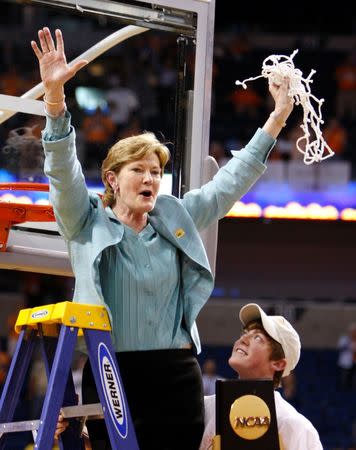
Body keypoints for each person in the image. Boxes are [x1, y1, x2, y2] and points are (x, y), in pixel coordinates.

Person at [31, 27, 294, 450]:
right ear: (113, 179)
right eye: (140, 170)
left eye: (156, 171)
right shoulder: (84, 220)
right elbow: (62, 172)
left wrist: (277, 117)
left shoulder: (176, 216)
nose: (151, 178)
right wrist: (55, 101)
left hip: (176, 375)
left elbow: (229, 182)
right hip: (109, 371)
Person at [200, 303, 323, 450]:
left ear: (278, 363)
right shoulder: (204, 408)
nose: (244, 339)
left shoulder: (296, 426)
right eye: (245, 333)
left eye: (257, 337)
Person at [337, 321, 356, 390]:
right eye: (353, 331)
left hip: (354, 363)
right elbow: (340, 349)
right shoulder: (344, 339)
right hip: (345, 363)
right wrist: (349, 343)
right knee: (343, 381)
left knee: (353, 381)